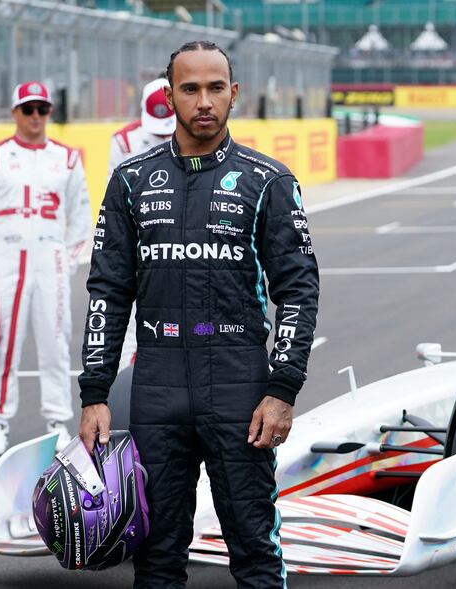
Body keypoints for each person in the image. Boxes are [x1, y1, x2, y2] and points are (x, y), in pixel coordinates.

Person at [77, 41, 319, 588]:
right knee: (157, 555)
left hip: (239, 380)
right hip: (157, 379)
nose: (203, 101)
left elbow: (299, 290)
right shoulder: (131, 181)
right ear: (169, 97)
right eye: (190, 89)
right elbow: (107, 292)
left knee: (254, 546)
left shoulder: (269, 180)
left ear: (235, 94)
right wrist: (94, 392)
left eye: (215, 88)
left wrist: (283, 390)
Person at [0, 81, 90, 455]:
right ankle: (0, 422)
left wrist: (66, 261)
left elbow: (80, 220)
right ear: (14, 113)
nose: (36, 116)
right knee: (4, 345)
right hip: (7, 258)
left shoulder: (68, 158)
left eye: (42, 109)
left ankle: (58, 420)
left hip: (50, 259)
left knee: (55, 344)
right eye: (28, 109)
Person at [108, 77, 177, 369]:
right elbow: (111, 198)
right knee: (129, 322)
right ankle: (125, 386)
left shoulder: (196, 134)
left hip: (176, 241)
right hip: (137, 241)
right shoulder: (123, 141)